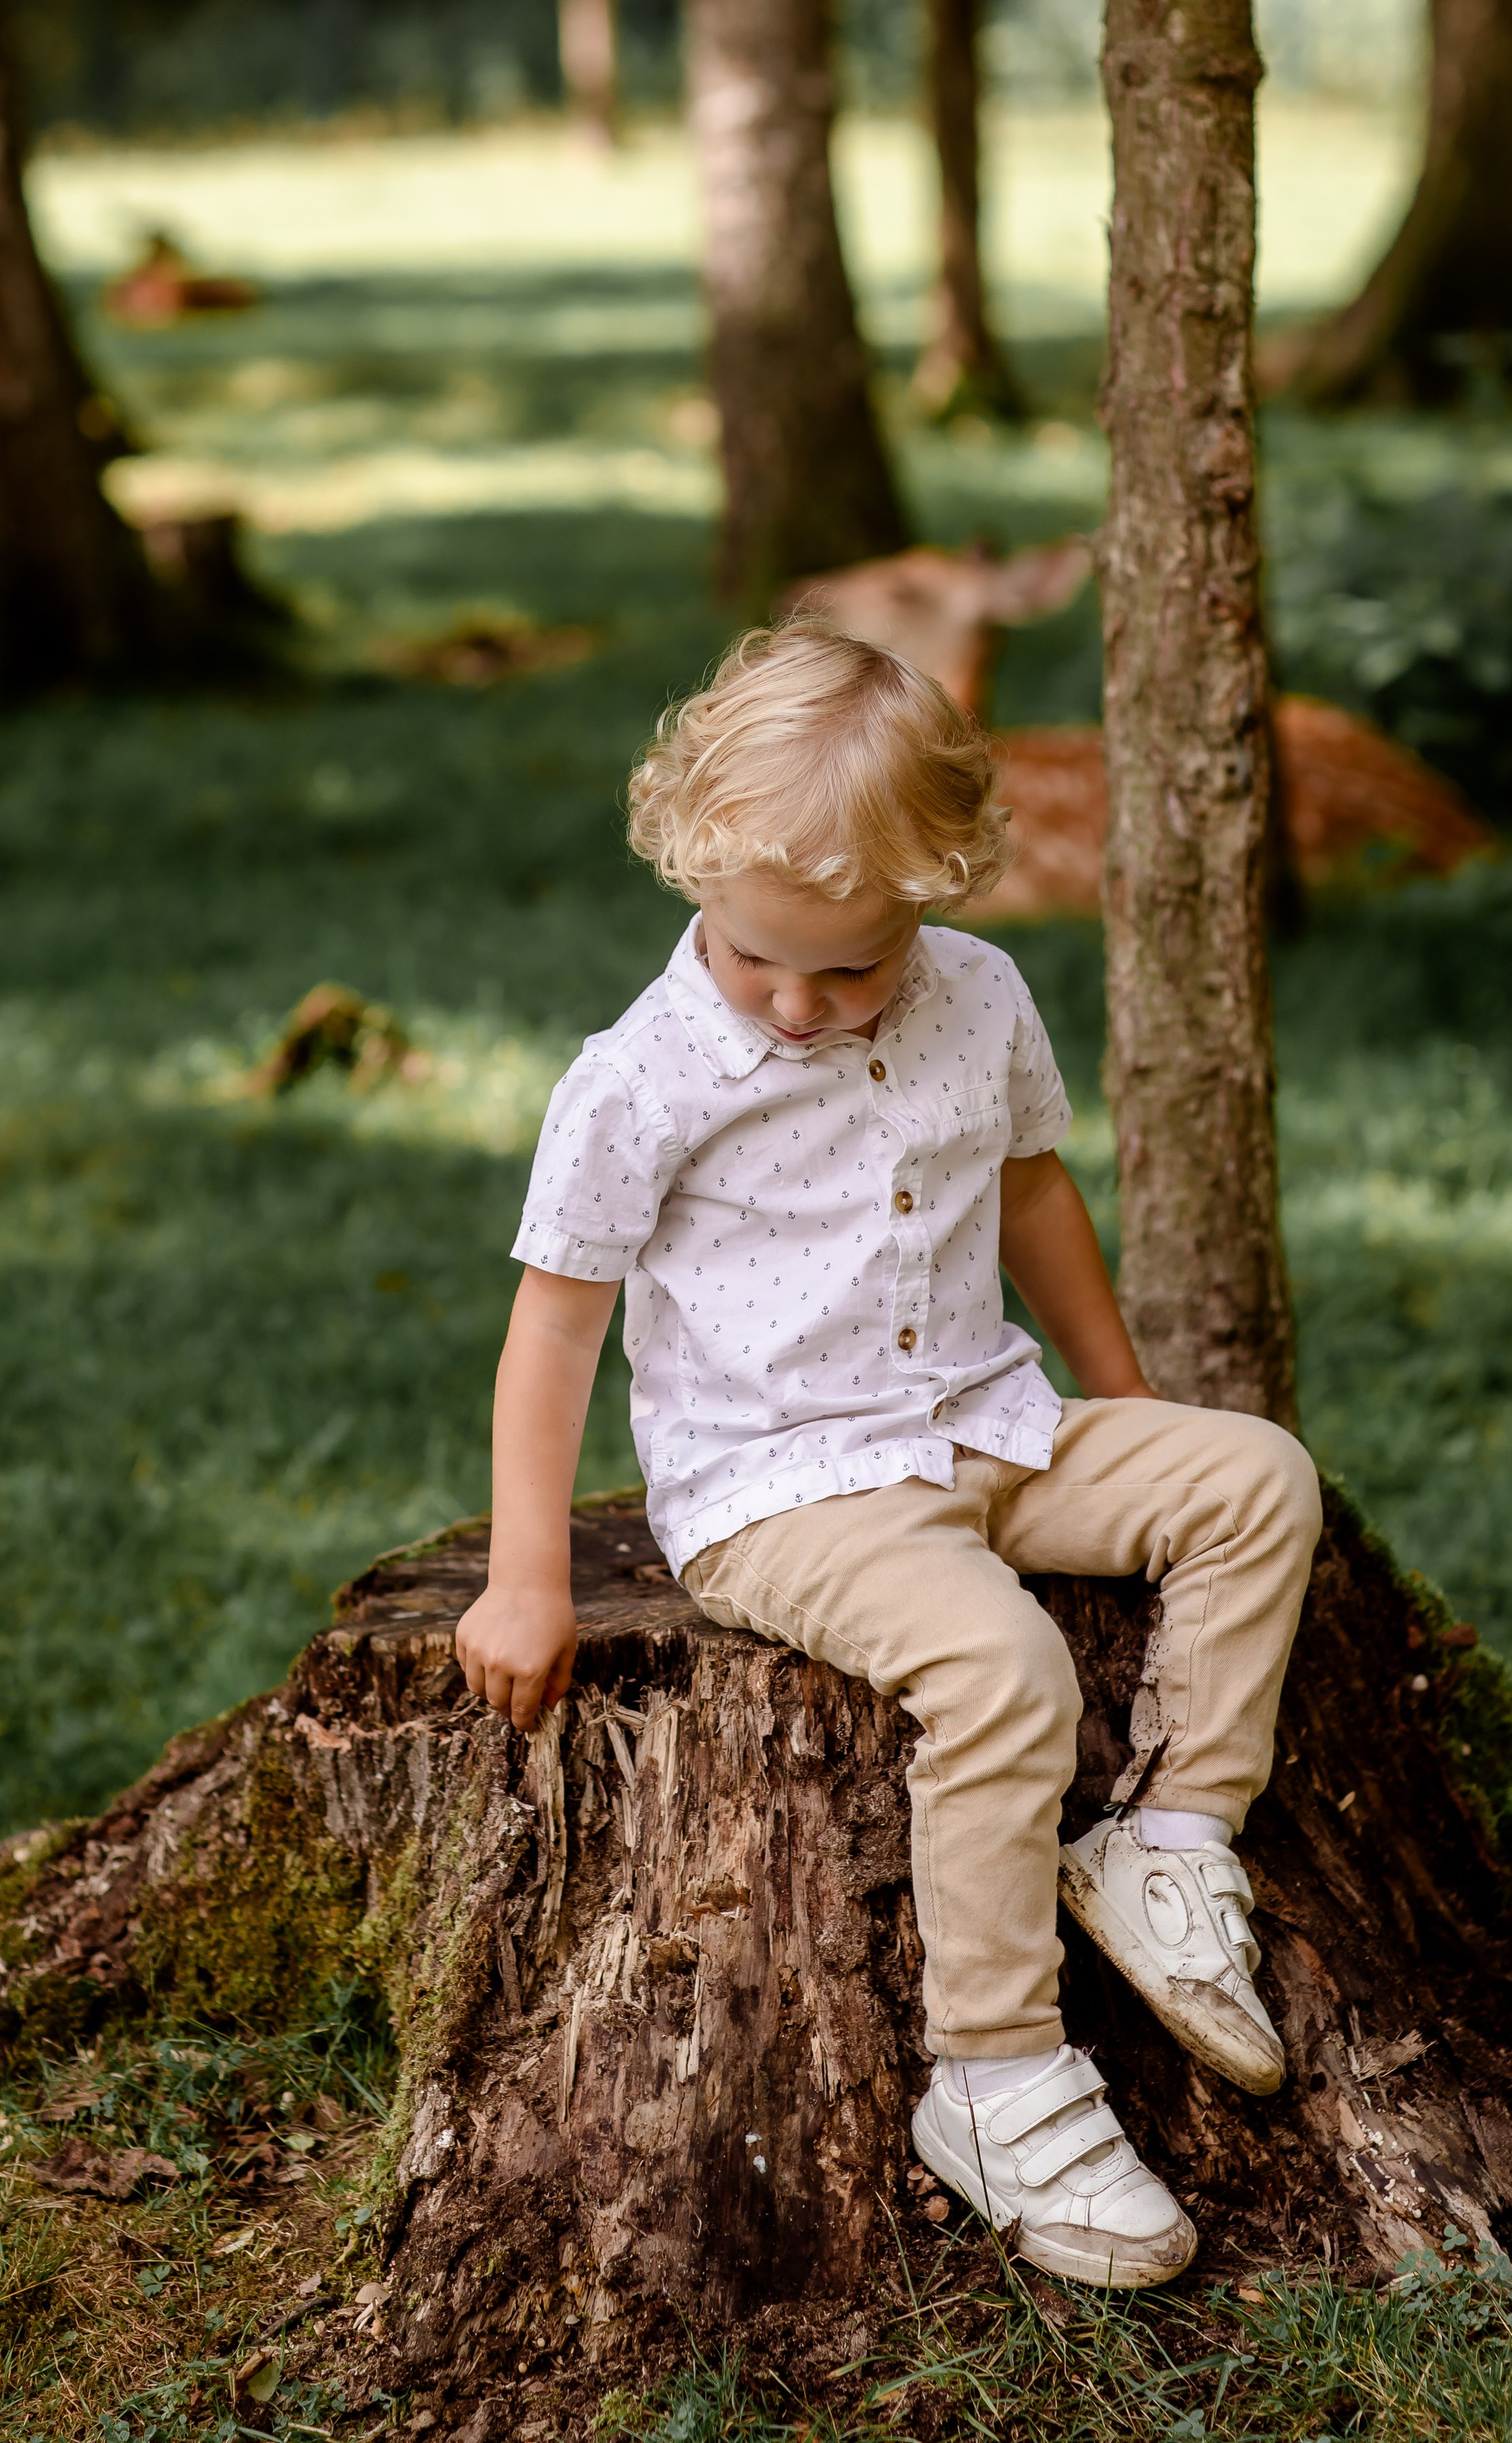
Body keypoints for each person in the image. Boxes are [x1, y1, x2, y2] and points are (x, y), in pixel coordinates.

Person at [455, 620, 1322, 2288]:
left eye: (846, 972)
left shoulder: (978, 996)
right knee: (1000, 1669)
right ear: (690, 877)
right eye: (753, 957)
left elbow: (1033, 1194)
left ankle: (1168, 1838)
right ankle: (994, 2074)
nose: (795, 1007)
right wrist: (522, 1576)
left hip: (984, 1423)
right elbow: (550, 1333)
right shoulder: (633, 1085)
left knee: (1252, 1481)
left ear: (936, 894)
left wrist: (1121, 1397)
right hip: (785, 1492)